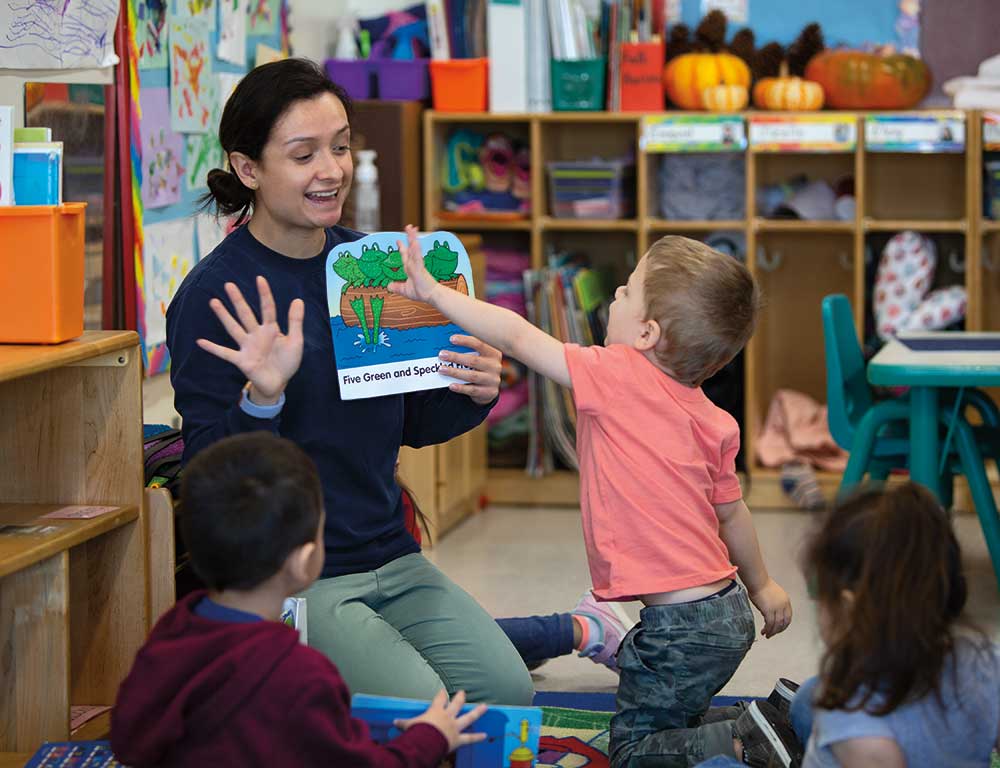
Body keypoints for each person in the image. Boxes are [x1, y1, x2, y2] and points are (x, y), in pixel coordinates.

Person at [165, 57, 534, 705]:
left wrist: (475, 392)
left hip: (390, 552)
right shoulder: (214, 295)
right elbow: (208, 477)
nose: (331, 170)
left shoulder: (372, 264)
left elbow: (415, 421)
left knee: (505, 693)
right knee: (422, 709)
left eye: (340, 147)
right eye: (304, 154)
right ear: (248, 168)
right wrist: (263, 397)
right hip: (291, 573)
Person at [391, 228, 796, 766]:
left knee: (633, 750)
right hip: (726, 613)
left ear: (648, 333)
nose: (613, 298)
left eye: (626, 291)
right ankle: (769, 718)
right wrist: (762, 584)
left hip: (678, 628)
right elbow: (732, 513)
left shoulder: (617, 374)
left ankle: (743, 744)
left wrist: (437, 294)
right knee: (674, 717)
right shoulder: (716, 420)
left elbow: (515, 338)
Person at [111, 432, 488, 767]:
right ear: (305, 560)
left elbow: (129, 740)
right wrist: (431, 737)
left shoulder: (169, 633)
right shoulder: (303, 673)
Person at [797, 482, 1000, 767]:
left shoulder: (856, 720)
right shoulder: (989, 666)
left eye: (820, 594)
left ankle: (762, 743)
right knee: (807, 697)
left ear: (848, 606)